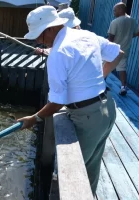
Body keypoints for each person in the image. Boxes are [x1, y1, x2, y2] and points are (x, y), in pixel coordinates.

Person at [18, 5, 124, 195]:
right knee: (91, 167)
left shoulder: (58, 53)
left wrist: (33, 119)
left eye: (39, 36)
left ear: (50, 28)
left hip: (87, 118)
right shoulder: (87, 35)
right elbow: (117, 53)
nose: (38, 41)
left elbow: (57, 102)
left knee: (71, 176)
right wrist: (99, 78)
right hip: (107, 106)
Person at [108, 2, 139, 95]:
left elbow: (111, 38)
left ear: (121, 9)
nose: (114, 12)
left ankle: (101, 84)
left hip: (113, 49)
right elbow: (137, 33)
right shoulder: (132, 21)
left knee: (105, 65)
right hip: (125, 50)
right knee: (122, 69)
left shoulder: (115, 22)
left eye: (115, 10)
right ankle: (123, 88)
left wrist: (106, 47)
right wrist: (128, 36)